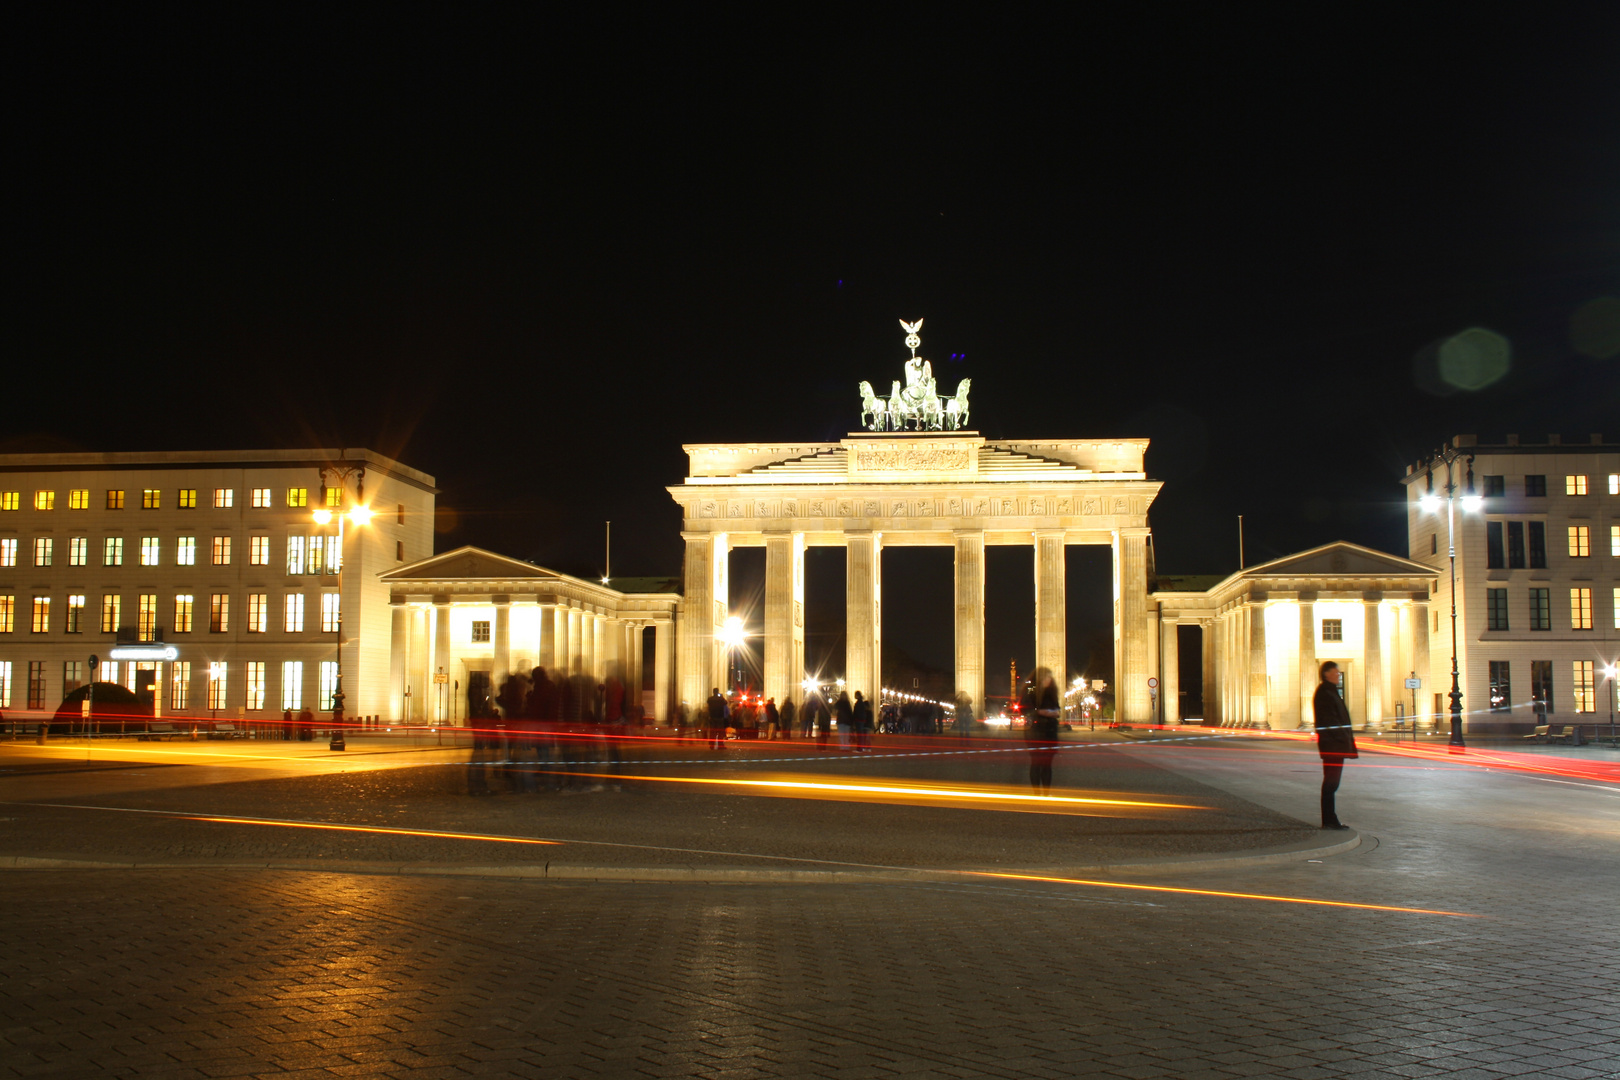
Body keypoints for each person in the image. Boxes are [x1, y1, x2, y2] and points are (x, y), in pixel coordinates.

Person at [1313, 661, 1358, 830]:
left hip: (1335, 745)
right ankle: (1329, 820)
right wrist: (1340, 738)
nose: (1339, 675)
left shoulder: (1329, 692)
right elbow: (1329, 720)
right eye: (1336, 673)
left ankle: (1330, 819)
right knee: (1331, 783)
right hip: (1333, 746)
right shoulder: (1325, 693)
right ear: (1327, 674)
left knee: (1332, 783)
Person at [1021, 667, 1061, 794]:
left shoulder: (1052, 693)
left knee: (1047, 764)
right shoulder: (1030, 692)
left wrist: (1054, 712)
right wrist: (1039, 712)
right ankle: (1037, 792)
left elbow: (1058, 710)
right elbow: (1024, 709)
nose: (1048, 679)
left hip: (1050, 731)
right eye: (1046, 677)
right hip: (1035, 731)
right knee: (1036, 762)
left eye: (1050, 677)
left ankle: (1046, 792)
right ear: (1039, 679)